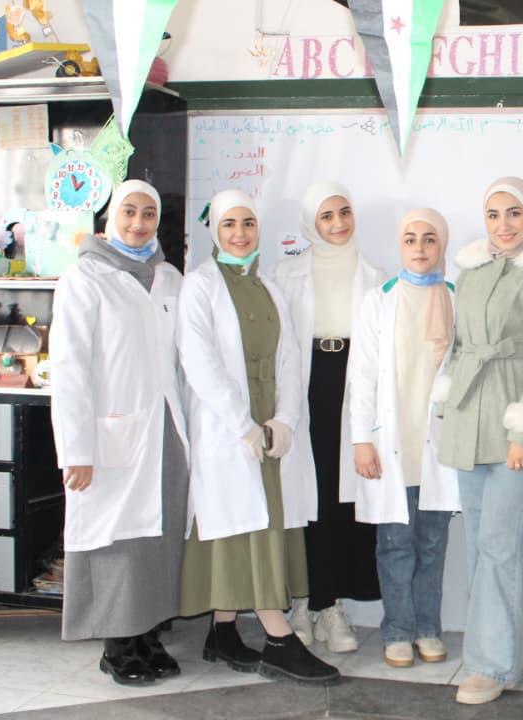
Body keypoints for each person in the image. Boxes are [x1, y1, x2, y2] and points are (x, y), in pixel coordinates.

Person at [177, 189, 339, 686]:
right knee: (245, 525)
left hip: (271, 426)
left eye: (248, 223)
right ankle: (278, 639)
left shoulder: (269, 285)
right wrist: (243, 425)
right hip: (229, 426)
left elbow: (291, 357)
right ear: (214, 231)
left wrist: (285, 420)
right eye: (229, 224)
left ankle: (222, 630)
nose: (240, 233)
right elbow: (200, 363)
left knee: (260, 520)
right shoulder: (199, 286)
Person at [436, 177, 523, 705]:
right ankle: (511, 643)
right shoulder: (471, 270)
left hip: (516, 423)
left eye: (514, 213)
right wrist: (447, 406)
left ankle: (491, 664)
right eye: (493, 214)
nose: (504, 224)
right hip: (469, 421)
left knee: (501, 545)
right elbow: (459, 344)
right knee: (482, 545)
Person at [50, 180, 189, 685]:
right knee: (116, 540)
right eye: (129, 211)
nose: (138, 223)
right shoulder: (85, 277)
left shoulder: (169, 277)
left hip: (165, 427)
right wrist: (76, 450)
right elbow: (69, 368)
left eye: (148, 214)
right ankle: (118, 646)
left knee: (156, 536)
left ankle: (147, 634)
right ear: (111, 218)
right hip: (109, 431)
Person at [273, 182, 387, 652]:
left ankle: (332, 606)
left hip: (353, 385)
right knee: (307, 497)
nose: (338, 223)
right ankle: (302, 603)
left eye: (344, 212)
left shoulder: (376, 276)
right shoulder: (285, 274)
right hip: (305, 385)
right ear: (310, 222)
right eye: (326, 215)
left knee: (343, 502)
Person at [348, 208, 461, 669]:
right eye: (410, 238)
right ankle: (397, 631)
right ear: (400, 244)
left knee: (432, 544)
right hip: (391, 442)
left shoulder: (455, 298)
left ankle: (428, 628)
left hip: (438, 444)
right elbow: (361, 375)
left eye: (429, 239)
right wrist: (361, 440)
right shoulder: (378, 300)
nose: (419, 247)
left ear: (442, 245)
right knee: (395, 543)